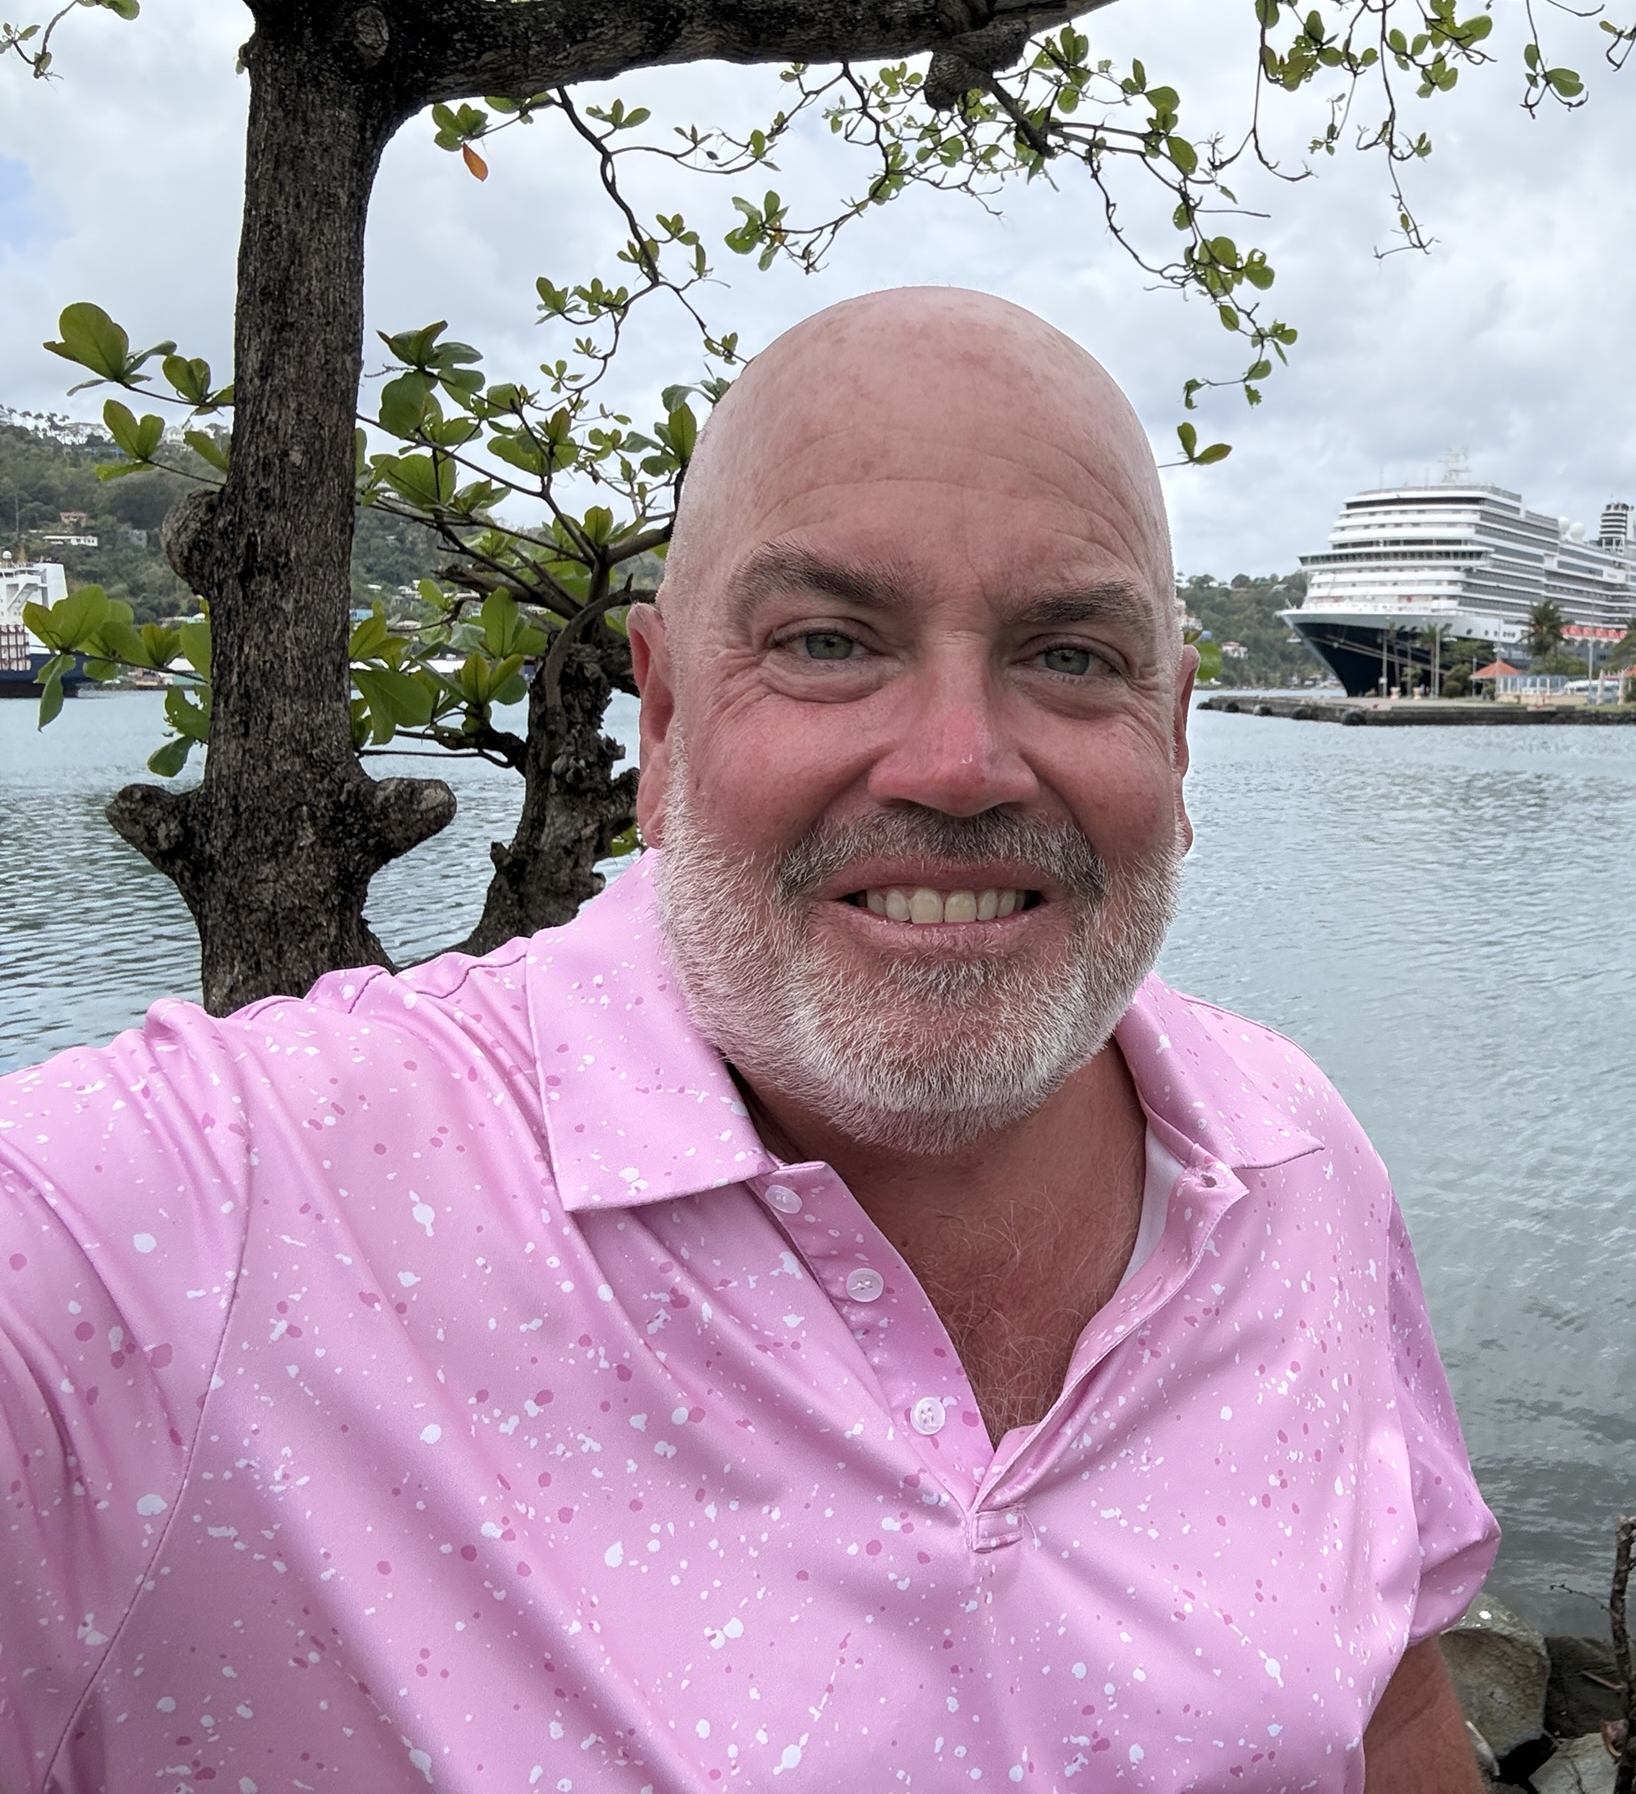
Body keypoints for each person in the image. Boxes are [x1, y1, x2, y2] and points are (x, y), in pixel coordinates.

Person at [0, 289, 1497, 1791]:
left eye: (1072, 655)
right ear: (660, 721)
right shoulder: (209, 1226)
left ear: (1174, 740)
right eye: (830, 640)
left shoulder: (1293, 1159)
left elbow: (1391, 1715)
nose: (960, 765)